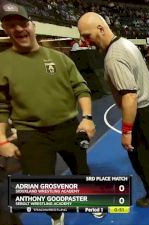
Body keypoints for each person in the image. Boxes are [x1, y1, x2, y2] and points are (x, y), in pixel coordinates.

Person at [0, 2, 97, 225]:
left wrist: (88, 118)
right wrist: (2, 139)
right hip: (30, 133)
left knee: (82, 171)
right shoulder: (2, 63)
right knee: (41, 183)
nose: (18, 29)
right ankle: (56, 215)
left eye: (22, 23)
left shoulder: (60, 58)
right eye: (10, 25)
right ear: (5, 30)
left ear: (32, 25)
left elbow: (81, 88)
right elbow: (2, 106)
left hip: (68, 127)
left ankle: (92, 202)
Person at [77, 12, 149, 208]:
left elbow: (129, 96)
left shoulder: (113, 57)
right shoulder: (126, 43)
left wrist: (126, 131)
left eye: (87, 35)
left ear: (101, 29)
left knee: (138, 156)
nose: (85, 41)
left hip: (140, 110)